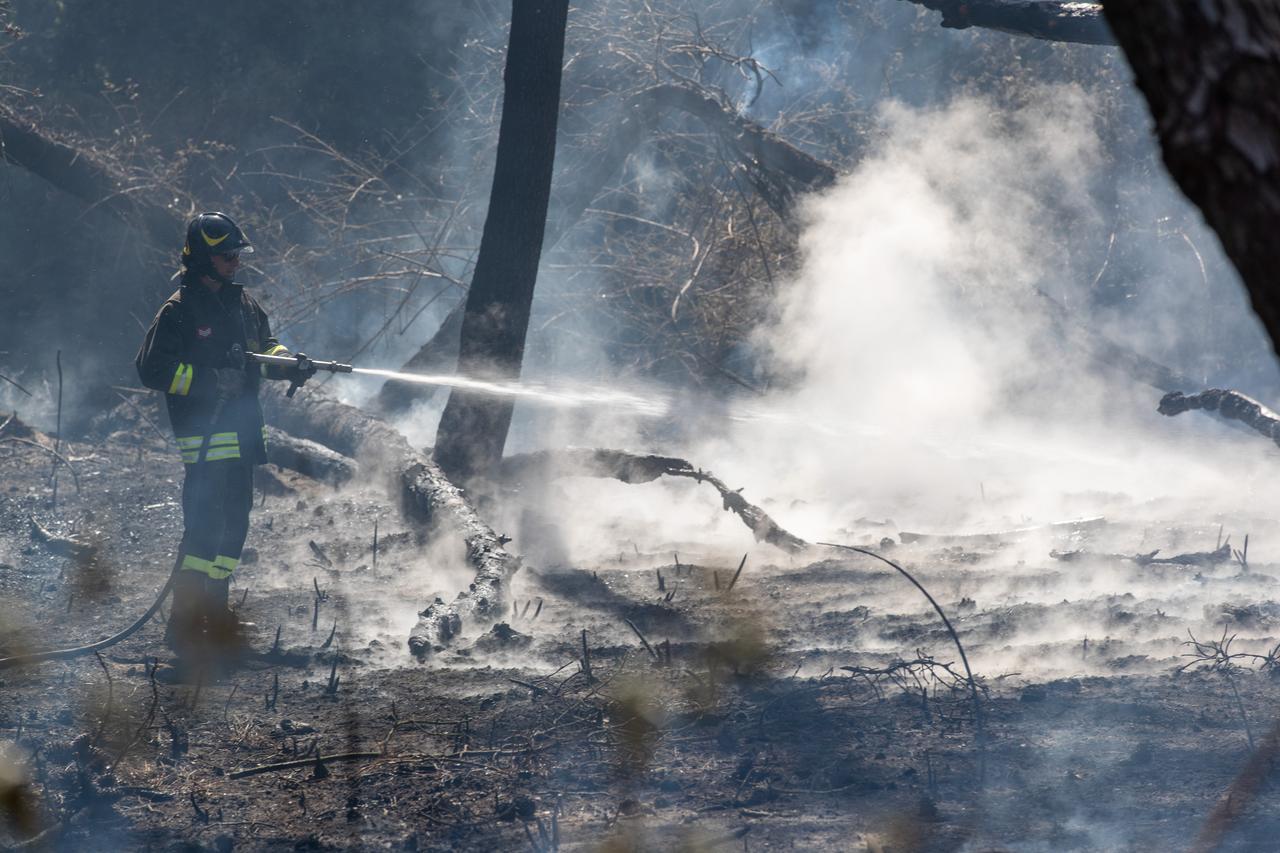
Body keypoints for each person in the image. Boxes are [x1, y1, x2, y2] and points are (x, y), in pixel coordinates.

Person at [136, 212, 313, 660]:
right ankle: (183, 624)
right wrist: (211, 382)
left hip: (241, 435)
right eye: (226, 255)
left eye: (237, 254)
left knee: (234, 528)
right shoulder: (178, 310)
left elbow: (265, 349)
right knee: (203, 533)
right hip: (205, 438)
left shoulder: (243, 304)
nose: (235, 262)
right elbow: (152, 369)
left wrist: (289, 362)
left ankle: (215, 615)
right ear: (202, 259)